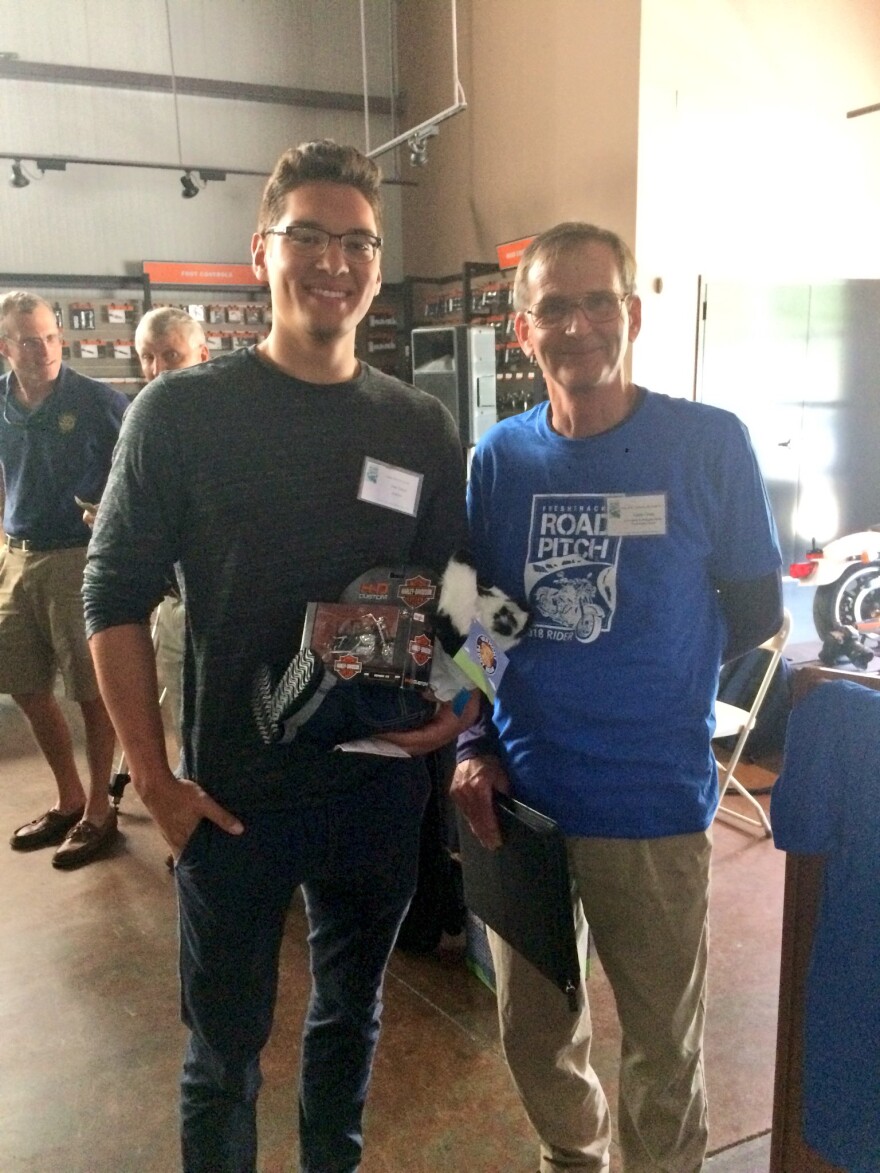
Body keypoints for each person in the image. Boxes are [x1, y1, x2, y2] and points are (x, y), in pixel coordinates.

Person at [83, 140, 476, 1172]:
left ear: (378, 266)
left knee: (350, 1023)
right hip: (230, 800)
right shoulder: (183, 415)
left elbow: (465, 589)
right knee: (223, 1055)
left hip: (377, 794)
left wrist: (466, 703)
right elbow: (110, 598)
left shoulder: (419, 425)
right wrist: (156, 781)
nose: (333, 261)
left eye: (357, 242)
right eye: (308, 235)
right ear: (262, 251)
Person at [451, 222, 783, 1173]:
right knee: (534, 1037)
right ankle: (573, 1159)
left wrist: (656, 688)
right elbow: (482, 619)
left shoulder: (708, 443)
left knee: (662, 1054)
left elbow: (755, 612)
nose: (580, 323)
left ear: (632, 315)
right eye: (554, 305)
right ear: (524, 332)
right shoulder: (500, 460)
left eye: (599, 301)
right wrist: (470, 742)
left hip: (652, 805)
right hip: (526, 807)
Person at [0, 291, 127, 870]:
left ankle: (100, 808)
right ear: (7, 347)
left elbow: (139, 476)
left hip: (79, 557)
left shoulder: (98, 401)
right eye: (29, 340)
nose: (45, 348)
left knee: (91, 690)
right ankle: (68, 797)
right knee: (24, 683)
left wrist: (113, 519)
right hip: (17, 556)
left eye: (52, 337)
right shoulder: (1, 403)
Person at [134, 307, 209, 751]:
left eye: (171, 356)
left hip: (234, 612)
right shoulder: (142, 426)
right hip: (176, 606)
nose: (158, 370)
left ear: (202, 353)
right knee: (189, 730)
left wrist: (465, 723)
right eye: (147, 356)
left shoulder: (233, 425)